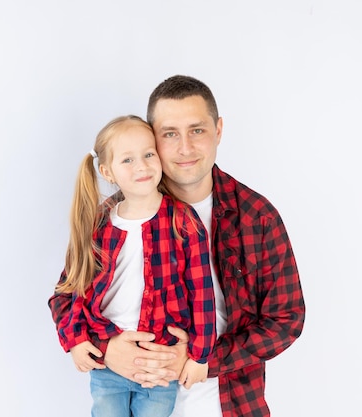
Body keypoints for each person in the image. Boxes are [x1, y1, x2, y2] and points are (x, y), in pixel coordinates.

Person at [49, 76, 306, 417]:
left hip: (228, 405)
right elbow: (67, 296)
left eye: (197, 130)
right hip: (124, 393)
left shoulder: (256, 217)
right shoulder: (110, 220)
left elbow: (286, 320)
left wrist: (203, 358)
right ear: (152, 137)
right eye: (170, 134)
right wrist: (105, 348)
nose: (185, 147)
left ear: (218, 131)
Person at [50, 115, 217, 417]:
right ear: (107, 171)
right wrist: (76, 340)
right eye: (127, 160)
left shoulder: (183, 221)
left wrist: (200, 356)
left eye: (149, 154)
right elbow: (71, 291)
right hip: (106, 363)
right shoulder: (98, 224)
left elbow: (202, 294)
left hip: (159, 363)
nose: (142, 166)